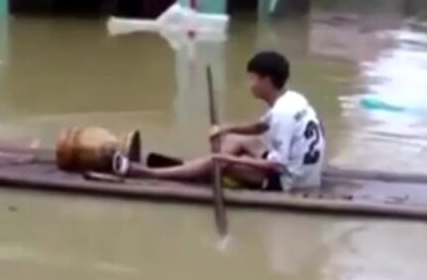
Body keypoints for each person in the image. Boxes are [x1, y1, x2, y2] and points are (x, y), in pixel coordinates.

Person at [137, 51, 325, 192]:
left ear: (266, 81)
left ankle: (155, 174)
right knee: (235, 139)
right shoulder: (292, 98)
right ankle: (203, 167)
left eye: (252, 79)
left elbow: (275, 165)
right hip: (302, 169)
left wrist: (227, 158)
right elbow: (260, 127)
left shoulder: (283, 114)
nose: (249, 84)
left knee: (230, 161)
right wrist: (225, 128)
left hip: (291, 181)